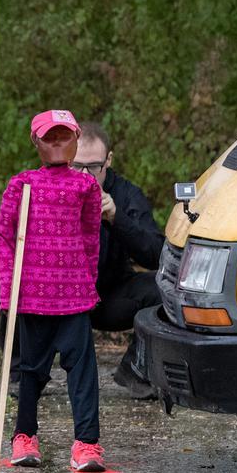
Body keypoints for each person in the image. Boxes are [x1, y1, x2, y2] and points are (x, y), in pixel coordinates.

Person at [0, 110, 106, 472]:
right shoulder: (22, 184)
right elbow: (3, 237)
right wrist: (6, 287)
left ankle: (87, 442)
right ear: (37, 142)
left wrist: (89, 280)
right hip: (33, 295)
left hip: (74, 295)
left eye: (64, 136)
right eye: (49, 137)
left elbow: (91, 237)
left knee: (82, 370)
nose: (57, 143)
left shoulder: (86, 186)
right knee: (31, 369)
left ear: (76, 139)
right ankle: (24, 434)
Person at [75, 122, 164, 398]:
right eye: (76, 166)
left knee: (163, 289)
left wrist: (116, 218)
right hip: (58, 298)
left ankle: (135, 368)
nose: (86, 175)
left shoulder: (126, 194)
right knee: (13, 280)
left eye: (94, 166)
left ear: (108, 161)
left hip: (108, 297)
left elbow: (155, 255)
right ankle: (23, 373)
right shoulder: (50, 189)